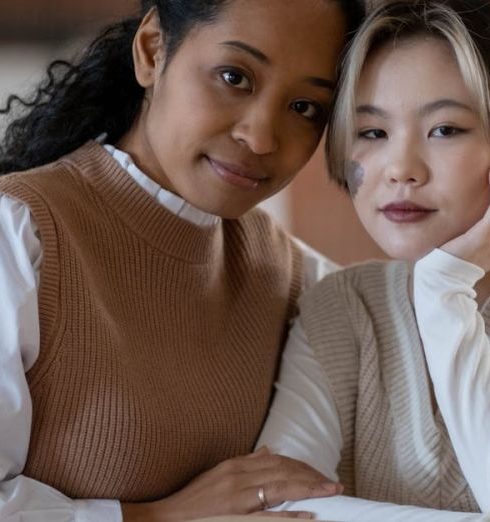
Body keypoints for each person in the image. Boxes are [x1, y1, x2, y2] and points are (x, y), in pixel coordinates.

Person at [0, 0, 365, 521]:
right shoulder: (20, 233)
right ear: (152, 50)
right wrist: (157, 516)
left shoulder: (293, 277)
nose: (260, 137)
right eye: (234, 77)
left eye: (306, 108)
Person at [257, 1, 490, 520]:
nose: (401, 169)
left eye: (446, 129)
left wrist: (443, 287)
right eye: (373, 133)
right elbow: (284, 506)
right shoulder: (343, 308)